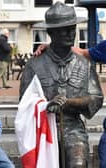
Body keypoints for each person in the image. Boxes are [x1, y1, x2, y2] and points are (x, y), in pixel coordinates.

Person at [19, 2, 103, 168]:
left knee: (77, 163)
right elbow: (25, 104)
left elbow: (96, 98)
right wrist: (45, 106)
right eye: (64, 30)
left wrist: (69, 102)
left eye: (72, 28)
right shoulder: (34, 65)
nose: (70, 34)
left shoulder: (84, 65)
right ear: (51, 32)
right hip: (43, 130)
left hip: (73, 129)